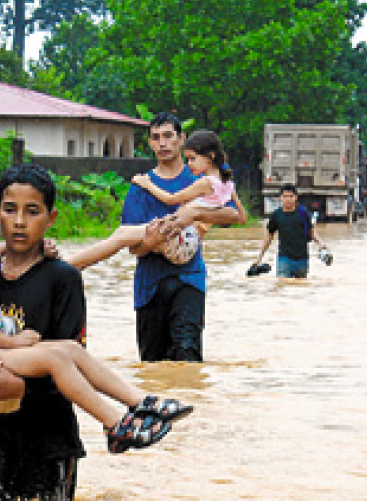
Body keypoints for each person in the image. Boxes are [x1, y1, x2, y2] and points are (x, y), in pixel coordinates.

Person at [0, 164, 182, 501]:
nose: (19, 222)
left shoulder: (63, 279)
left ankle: (128, 412)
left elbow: (75, 363)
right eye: (9, 211)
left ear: (50, 218)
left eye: (32, 212)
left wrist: (20, 388)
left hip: (50, 440)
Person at [115, 113, 247, 362]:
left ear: (181, 139)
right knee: (152, 362)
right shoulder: (139, 187)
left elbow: (233, 215)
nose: (162, 143)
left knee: (187, 353)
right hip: (149, 284)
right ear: (150, 144)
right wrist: (153, 243)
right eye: (156, 138)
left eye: (168, 136)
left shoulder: (201, 177)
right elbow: (132, 247)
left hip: (190, 278)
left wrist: (197, 217)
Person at [69, 129, 247, 270]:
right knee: (127, 237)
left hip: (183, 239)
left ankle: (72, 265)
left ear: (210, 157)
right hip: (188, 244)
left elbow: (171, 200)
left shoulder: (205, 182)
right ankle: (77, 265)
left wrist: (146, 184)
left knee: (122, 234)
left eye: (193, 159)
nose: (190, 164)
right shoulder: (227, 184)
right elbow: (242, 217)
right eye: (188, 159)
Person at [251, 183, 329, 279]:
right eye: (285, 196)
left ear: (295, 197)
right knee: (282, 284)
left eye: (290, 196)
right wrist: (259, 258)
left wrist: (321, 244)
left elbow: (311, 232)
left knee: (300, 286)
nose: (288, 199)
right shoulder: (276, 215)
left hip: (302, 259)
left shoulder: (303, 213)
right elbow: (269, 237)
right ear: (281, 198)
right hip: (284, 258)